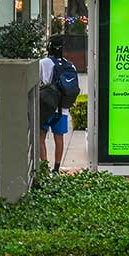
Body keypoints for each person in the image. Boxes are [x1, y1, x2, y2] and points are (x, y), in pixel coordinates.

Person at [39, 36, 73, 173]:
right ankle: (57, 169)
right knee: (59, 138)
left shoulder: (43, 63)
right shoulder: (70, 65)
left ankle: (44, 168)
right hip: (62, 109)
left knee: (41, 137)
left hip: (46, 106)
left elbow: (36, 80)